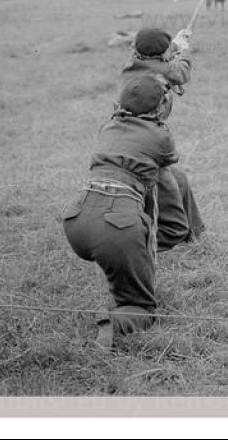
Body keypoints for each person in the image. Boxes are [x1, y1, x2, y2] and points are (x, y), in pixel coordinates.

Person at [61, 75, 179, 343]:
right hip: (117, 224)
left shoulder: (108, 127)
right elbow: (167, 166)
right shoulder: (161, 136)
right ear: (160, 107)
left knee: (117, 255)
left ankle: (121, 277)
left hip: (76, 216)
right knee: (142, 308)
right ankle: (111, 325)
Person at [120, 27, 205, 251]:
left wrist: (175, 43)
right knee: (170, 181)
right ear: (162, 53)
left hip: (130, 132)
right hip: (146, 138)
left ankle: (194, 234)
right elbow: (181, 72)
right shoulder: (165, 69)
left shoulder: (132, 63)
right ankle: (160, 238)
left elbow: (155, 56)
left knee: (179, 178)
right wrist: (183, 51)